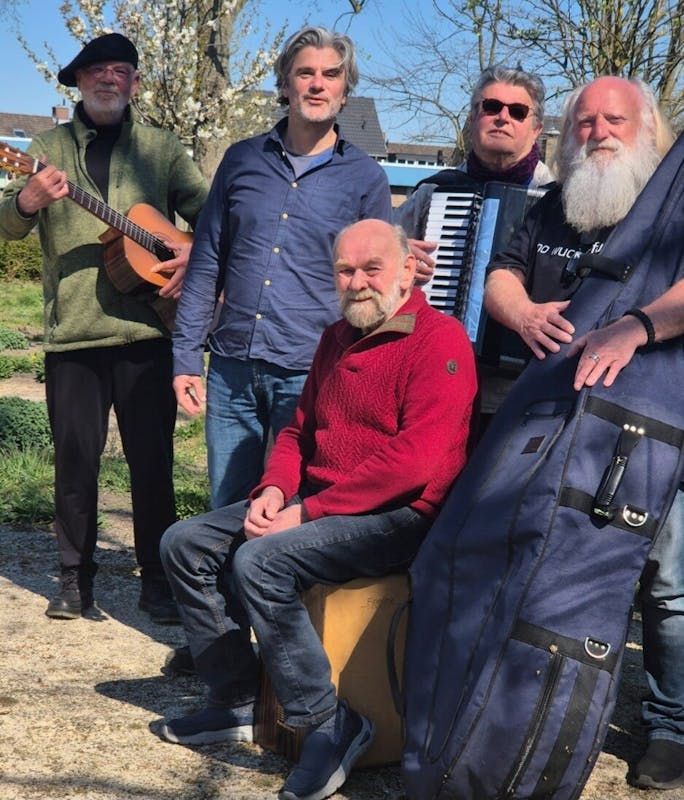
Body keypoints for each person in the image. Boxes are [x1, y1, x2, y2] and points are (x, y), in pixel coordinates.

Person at [158, 219, 478, 800]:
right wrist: (274, 491)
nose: (357, 282)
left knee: (261, 562)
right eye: (344, 271)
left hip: (402, 517)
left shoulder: (441, 340)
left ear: (408, 270)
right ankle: (235, 697)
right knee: (185, 543)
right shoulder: (336, 336)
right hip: (321, 502)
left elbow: (415, 463)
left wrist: (307, 514)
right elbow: (298, 432)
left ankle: (330, 724)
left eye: (372, 269)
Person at [484, 76, 683, 791]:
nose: (598, 132)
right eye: (585, 121)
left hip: (658, 428)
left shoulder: (675, 203)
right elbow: (500, 274)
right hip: (560, 424)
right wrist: (523, 312)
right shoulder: (556, 204)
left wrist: (638, 326)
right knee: (549, 562)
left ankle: (671, 724)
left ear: (648, 128)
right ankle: (538, 704)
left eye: (614, 119)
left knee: (667, 578)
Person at [0, 33, 208, 623]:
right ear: (79, 82)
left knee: (153, 465)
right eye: (96, 71)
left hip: (149, 332)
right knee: (75, 465)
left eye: (120, 70)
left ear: (135, 83)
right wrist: (25, 202)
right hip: (74, 334)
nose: (108, 79)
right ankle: (74, 579)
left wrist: (193, 252)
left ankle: (159, 582)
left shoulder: (162, 149)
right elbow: (6, 228)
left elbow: (211, 217)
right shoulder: (46, 147)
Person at [172, 26, 393, 511]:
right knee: (226, 505)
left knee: (293, 510)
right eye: (305, 73)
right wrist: (186, 355)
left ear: (345, 90)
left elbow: (375, 288)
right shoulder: (241, 161)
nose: (317, 84)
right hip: (231, 367)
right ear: (285, 84)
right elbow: (207, 262)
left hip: (312, 371)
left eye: (331, 75)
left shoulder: (366, 179)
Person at [395, 64, 554, 240]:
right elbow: (380, 245)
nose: (503, 117)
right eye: (491, 107)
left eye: (518, 112)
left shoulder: (556, 199)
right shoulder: (433, 192)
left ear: (536, 130)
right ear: (472, 120)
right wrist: (400, 250)